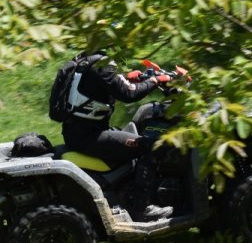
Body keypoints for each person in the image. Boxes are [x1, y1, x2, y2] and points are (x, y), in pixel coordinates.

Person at [59, 52, 174, 221]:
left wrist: (131, 79)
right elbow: (128, 94)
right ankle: (140, 207)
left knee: (131, 138)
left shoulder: (86, 60)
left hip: (76, 132)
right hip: (90, 136)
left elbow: (105, 86)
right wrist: (155, 81)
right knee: (150, 145)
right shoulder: (102, 64)